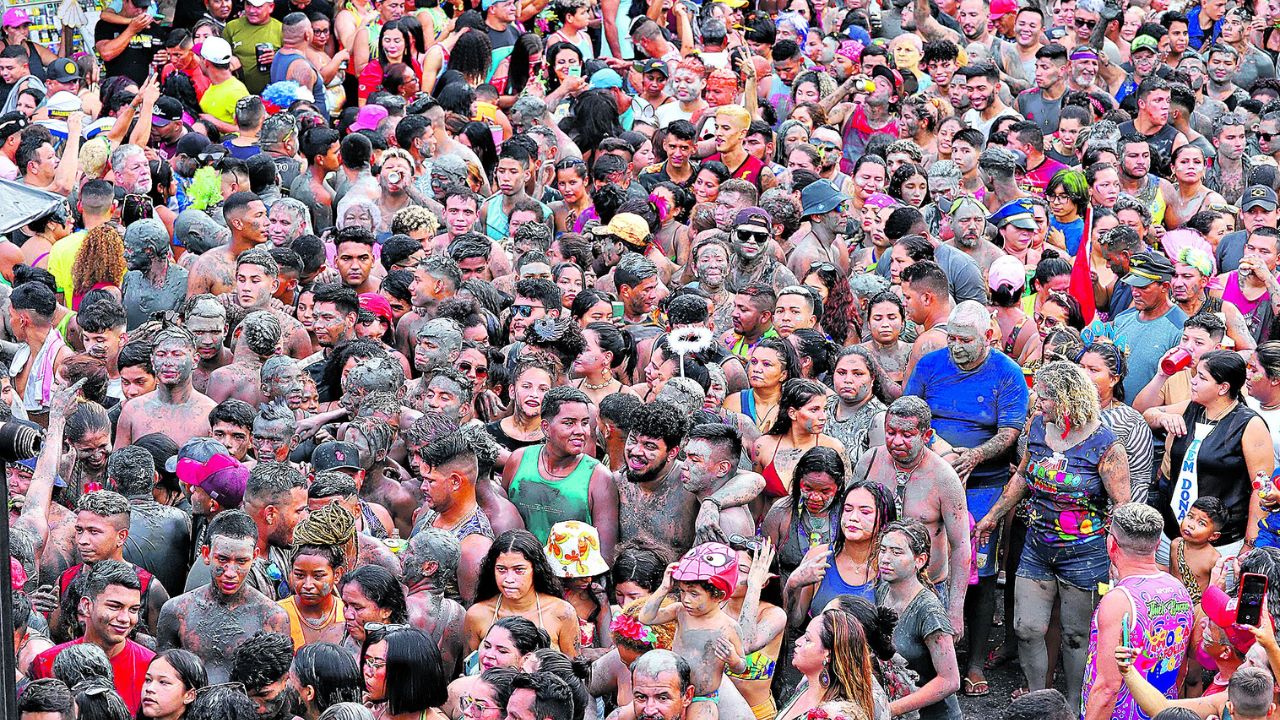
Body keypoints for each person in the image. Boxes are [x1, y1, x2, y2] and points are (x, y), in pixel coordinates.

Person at [975, 361, 1132, 709]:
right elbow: (1022, 477)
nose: (1035, 401)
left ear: (1066, 400)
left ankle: (1074, 705)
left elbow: (1121, 505)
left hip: (1085, 553)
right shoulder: (1037, 427)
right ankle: (1038, 701)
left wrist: (1119, 557)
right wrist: (992, 517)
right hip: (1037, 545)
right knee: (1027, 628)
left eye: (1043, 396)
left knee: (1076, 637)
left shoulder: (1104, 445)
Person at [856, 396, 970, 635]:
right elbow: (848, 517)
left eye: (907, 435)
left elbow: (960, 545)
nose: (897, 441)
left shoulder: (944, 478)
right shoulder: (870, 462)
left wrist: (956, 609)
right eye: (890, 432)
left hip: (927, 588)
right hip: (874, 581)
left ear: (926, 436)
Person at [1081, 503, 1193, 720]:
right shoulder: (1179, 589)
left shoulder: (1119, 600)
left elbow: (1107, 688)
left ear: (1112, 543)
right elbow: (1182, 669)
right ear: (1158, 543)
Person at [1153, 350, 1273, 552]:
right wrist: (1162, 417)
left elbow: (1261, 489)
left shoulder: (1249, 424)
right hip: (1173, 532)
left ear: (1223, 388)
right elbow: (1146, 411)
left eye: (1202, 377)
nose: (1193, 381)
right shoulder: (1193, 407)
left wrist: (1250, 543)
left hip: (1220, 541)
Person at [156, 510, 291, 683]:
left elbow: (278, 685)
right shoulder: (176, 611)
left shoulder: (272, 617)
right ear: (206, 554)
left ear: (254, 557)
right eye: (222, 559)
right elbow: (163, 678)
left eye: (241, 561)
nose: (230, 572)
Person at [876, 519, 962, 720]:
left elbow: (950, 681)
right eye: (883, 550)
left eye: (896, 552)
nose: (885, 559)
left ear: (920, 560)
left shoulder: (928, 611)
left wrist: (890, 709)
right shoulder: (883, 591)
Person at [463, 529, 580, 657]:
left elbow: (573, 670)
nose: (509, 579)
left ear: (536, 569)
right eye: (501, 569)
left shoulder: (562, 613)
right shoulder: (477, 615)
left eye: (519, 570)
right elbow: (469, 670)